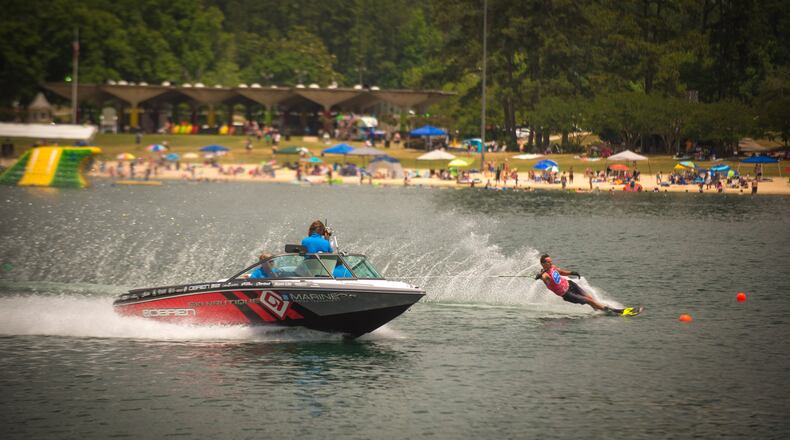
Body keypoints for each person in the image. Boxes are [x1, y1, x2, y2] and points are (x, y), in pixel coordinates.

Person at [535, 254, 610, 312]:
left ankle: (599, 310)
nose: (550, 263)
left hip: (570, 284)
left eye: (551, 261)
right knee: (589, 301)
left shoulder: (552, 267)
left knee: (590, 298)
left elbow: (561, 272)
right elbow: (546, 279)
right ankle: (607, 310)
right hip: (567, 294)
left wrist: (572, 272)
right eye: (548, 262)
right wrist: (541, 277)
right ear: (543, 264)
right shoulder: (544, 274)